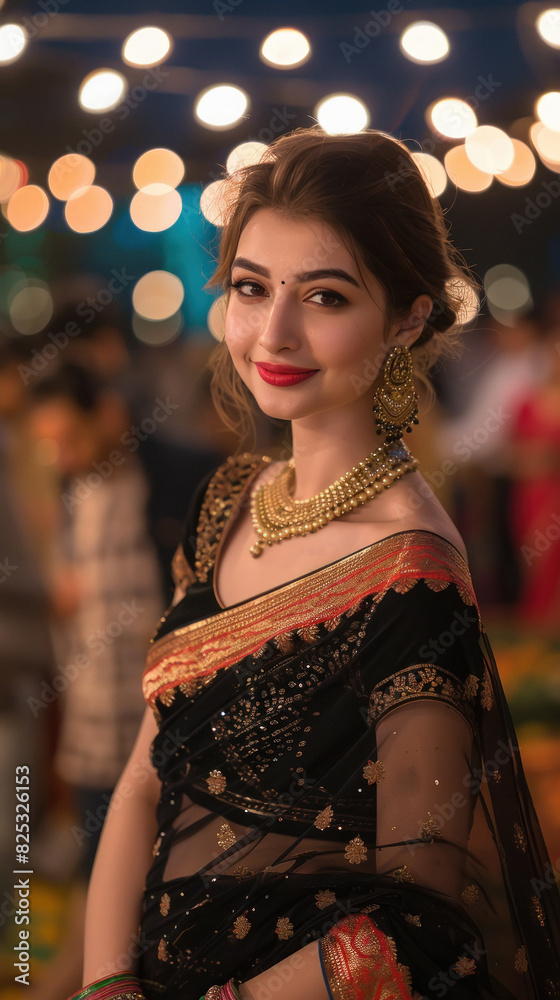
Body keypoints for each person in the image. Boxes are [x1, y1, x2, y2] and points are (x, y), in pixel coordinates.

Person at [76, 129, 560, 1000]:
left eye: (326, 298)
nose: (274, 333)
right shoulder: (228, 503)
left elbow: (416, 914)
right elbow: (148, 777)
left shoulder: (410, 574)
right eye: (252, 289)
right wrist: (105, 980)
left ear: (410, 316)